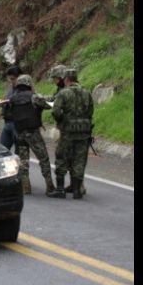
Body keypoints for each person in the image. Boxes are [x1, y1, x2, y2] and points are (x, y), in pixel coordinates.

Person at [2, 74, 54, 195]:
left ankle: (26, 187)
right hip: (33, 132)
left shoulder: (12, 99)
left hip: (19, 133)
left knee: (23, 161)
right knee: (43, 158)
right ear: (29, 84)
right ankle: (49, 186)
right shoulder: (33, 97)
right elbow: (47, 105)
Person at [49, 68, 94, 199]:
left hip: (67, 132)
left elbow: (55, 111)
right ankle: (77, 190)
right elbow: (90, 112)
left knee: (62, 157)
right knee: (79, 160)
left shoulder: (63, 93)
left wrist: (61, 121)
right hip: (84, 132)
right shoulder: (87, 93)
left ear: (66, 79)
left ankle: (60, 189)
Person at [0, 65, 23, 150]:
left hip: (18, 125)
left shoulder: (25, 89)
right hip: (7, 123)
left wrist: (10, 101)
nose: (11, 81)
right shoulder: (10, 88)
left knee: (20, 153)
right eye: (9, 79)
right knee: (1, 151)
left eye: (13, 79)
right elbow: (5, 100)